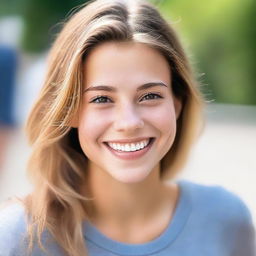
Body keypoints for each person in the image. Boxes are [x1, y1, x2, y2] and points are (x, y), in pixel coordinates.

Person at [0, 0, 255, 255]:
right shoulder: (20, 238)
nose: (129, 122)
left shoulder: (226, 219)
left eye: (150, 96)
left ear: (177, 104)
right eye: (101, 99)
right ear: (69, 112)